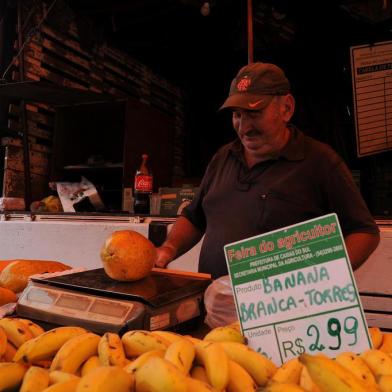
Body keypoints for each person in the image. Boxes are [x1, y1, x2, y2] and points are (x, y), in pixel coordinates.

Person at [155, 62, 380, 279]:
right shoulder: (223, 157)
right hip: (214, 309)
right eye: (237, 115)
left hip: (282, 312)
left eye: (254, 113)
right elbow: (195, 217)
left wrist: (321, 278)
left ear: (287, 108)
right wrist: (168, 248)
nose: (243, 128)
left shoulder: (320, 162)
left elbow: (364, 232)